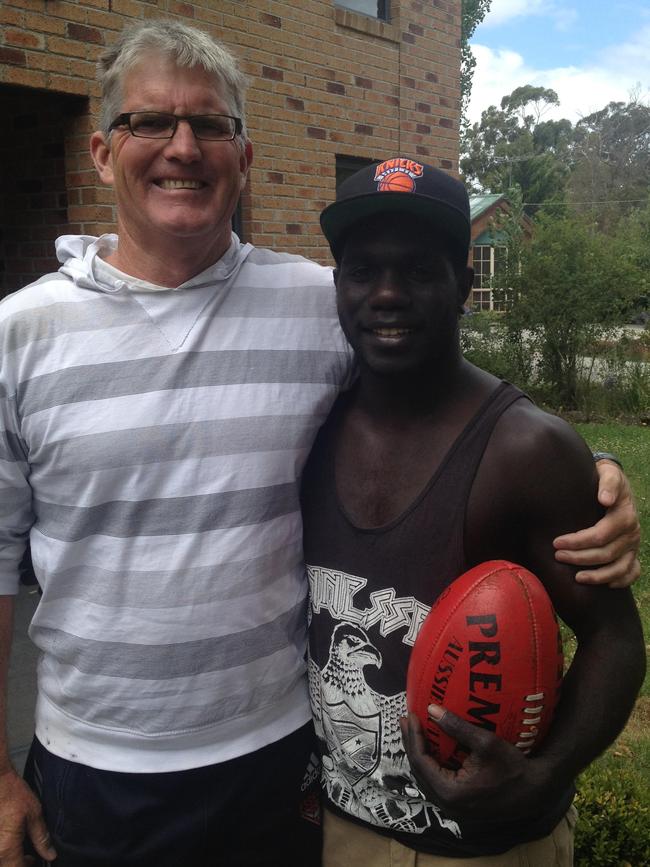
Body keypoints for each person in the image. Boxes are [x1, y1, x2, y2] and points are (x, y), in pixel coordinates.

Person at [0, 20, 640, 867]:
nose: (182, 147)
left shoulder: (312, 306)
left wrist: (595, 475)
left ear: (245, 154)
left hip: (281, 761)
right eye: (150, 122)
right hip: (98, 770)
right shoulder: (20, 335)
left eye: (212, 125)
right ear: (99, 151)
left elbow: (448, 392)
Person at [303, 158, 646, 866]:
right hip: (338, 830)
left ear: (462, 284)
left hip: (487, 849)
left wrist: (543, 774)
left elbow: (616, 640)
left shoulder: (527, 448)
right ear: (338, 286)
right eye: (364, 270)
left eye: (420, 271)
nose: (388, 293)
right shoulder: (307, 425)